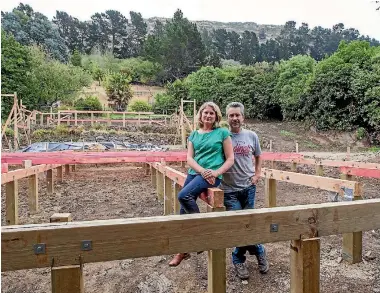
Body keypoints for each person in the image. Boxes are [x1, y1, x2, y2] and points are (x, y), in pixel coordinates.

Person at [169, 101, 234, 267]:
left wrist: (216, 172)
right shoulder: (194, 135)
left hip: (213, 175)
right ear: (200, 115)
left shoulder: (222, 133)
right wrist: (201, 170)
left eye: (212, 113)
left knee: (183, 195)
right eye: (206, 112)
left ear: (216, 116)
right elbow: (189, 158)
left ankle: (202, 233)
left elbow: (230, 159)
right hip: (196, 173)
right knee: (183, 212)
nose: (208, 115)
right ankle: (182, 251)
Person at [219, 102, 269, 279]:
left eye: (237, 115)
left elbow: (258, 155)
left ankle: (254, 252)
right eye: (231, 115)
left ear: (243, 117)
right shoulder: (222, 137)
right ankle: (244, 256)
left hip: (248, 188)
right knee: (240, 226)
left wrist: (257, 174)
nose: (234, 118)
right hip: (229, 190)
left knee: (248, 224)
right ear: (227, 118)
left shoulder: (251, 136)